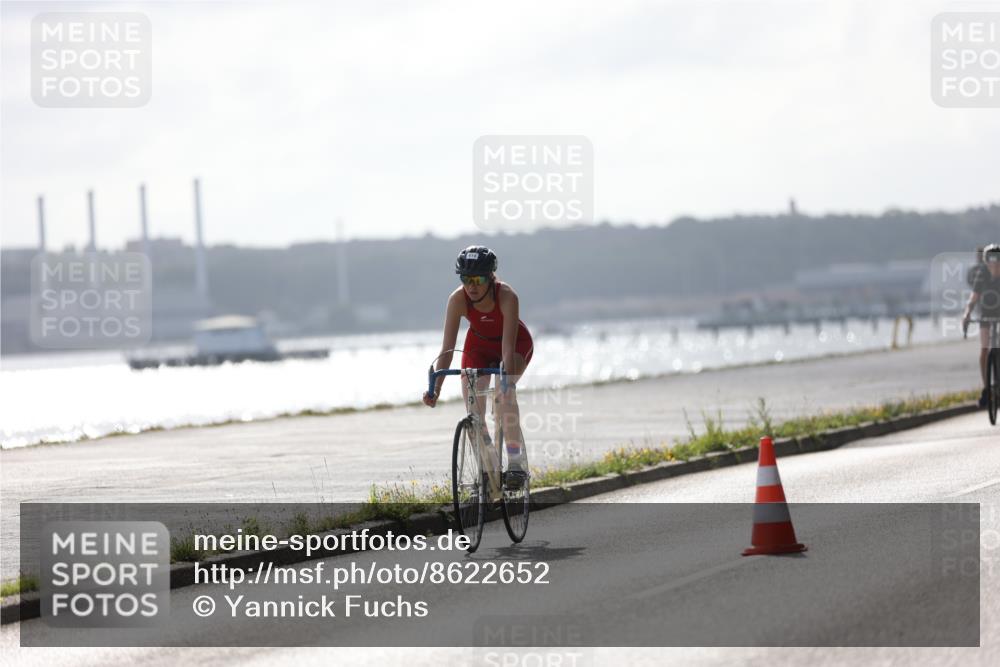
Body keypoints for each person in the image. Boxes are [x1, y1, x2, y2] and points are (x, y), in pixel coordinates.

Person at [423, 246, 534, 483]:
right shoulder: (457, 300)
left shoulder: (506, 296)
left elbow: (506, 349)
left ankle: (516, 463)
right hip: (478, 347)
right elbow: (447, 350)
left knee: (504, 396)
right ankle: (487, 472)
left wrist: (505, 381)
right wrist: (436, 389)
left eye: (478, 279)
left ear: (490, 277)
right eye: (465, 279)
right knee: (474, 412)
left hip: (514, 345)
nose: (471, 286)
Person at [962, 243, 1000, 408]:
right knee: (984, 349)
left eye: (997, 260)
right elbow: (974, 296)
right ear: (985, 261)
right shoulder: (981, 275)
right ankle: (987, 388)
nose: (995, 264)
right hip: (986, 314)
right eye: (990, 260)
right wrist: (967, 313)